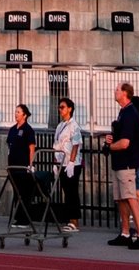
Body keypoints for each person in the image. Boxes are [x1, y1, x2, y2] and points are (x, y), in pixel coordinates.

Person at [105, 82, 139, 251]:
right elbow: (120, 138)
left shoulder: (130, 113)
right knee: (121, 198)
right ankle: (125, 233)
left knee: (132, 197)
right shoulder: (123, 113)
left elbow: (125, 143)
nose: (114, 91)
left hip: (128, 163)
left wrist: (110, 146)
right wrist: (111, 139)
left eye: (117, 89)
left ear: (125, 93)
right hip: (120, 163)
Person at [49, 98, 80, 235]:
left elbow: (76, 144)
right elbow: (57, 144)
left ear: (70, 109)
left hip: (71, 163)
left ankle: (74, 221)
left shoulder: (74, 126)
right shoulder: (60, 126)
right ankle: (69, 219)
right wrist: (56, 162)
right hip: (62, 162)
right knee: (66, 191)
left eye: (62, 107)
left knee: (72, 191)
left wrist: (72, 162)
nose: (60, 109)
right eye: (59, 107)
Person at [4, 104, 39, 225]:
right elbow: (9, 145)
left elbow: (31, 148)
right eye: (15, 112)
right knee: (16, 192)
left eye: (18, 112)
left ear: (24, 115)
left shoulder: (28, 130)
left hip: (23, 166)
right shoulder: (13, 129)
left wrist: (30, 164)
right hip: (13, 165)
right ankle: (18, 217)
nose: (16, 114)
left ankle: (25, 219)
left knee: (24, 192)